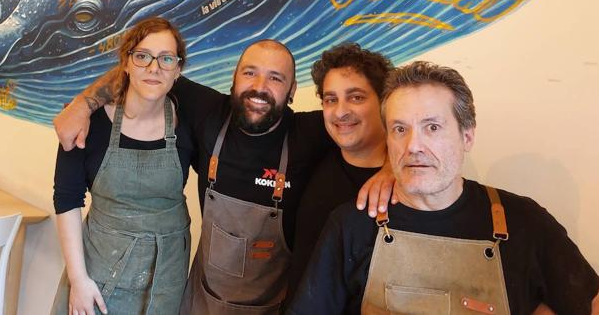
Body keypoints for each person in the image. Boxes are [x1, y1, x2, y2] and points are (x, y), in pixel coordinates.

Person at [53, 39, 394, 314]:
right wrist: (83, 104)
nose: (259, 87)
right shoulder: (208, 111)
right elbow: (147, 68)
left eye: (275, 78)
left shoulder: (312, 134)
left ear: (292, 92)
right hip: (200, 302)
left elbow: (376, 120)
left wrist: (392, 167)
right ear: (233, 80)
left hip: (272, 307)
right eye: (250, 73)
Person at [289, 61, 599, 315]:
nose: (414, 146)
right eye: (400, 129)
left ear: (467, 136)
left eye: (432, 127)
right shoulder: (352, 225)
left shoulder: (524, 222)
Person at [51, 18, 193, 315]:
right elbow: (66, 200)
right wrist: (78, 280)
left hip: (165, 282)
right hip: (97, 278)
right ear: (125, 64)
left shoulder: (190, 123)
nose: (154, 68)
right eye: (142, 56)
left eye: (166, 59)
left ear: (177, 69)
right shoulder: (88, 125)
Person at [286, 43, 393, 303]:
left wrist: (394, 168)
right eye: (331, 99)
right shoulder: (313, 149)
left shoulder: (411, 180)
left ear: (383, 102)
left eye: (356, 97)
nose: (341, 111)